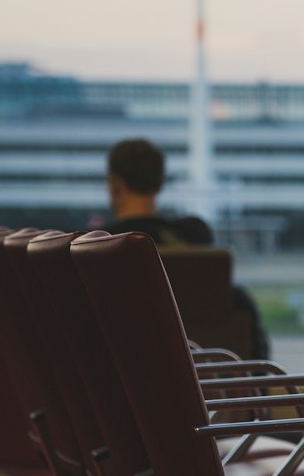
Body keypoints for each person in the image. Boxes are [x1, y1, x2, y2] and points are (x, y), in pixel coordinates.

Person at [104, 138, 270, 359]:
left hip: (125, 376)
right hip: (206, 377)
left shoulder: (98, 246)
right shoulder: (193, 237)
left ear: (114, 184)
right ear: (161, 182)